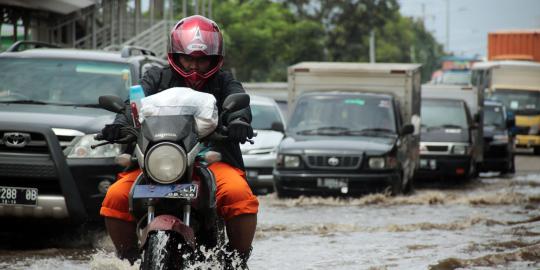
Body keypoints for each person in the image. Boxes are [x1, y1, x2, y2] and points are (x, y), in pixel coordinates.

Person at [99, 15, 259, 267]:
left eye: (202, 60)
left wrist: (239, 122)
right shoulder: (155, 78)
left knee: (238, 194)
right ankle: (128, 259)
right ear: (175, 56)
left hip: (210, 159)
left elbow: (238, 101)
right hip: (159, 160)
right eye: (188, 58)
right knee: (116, 196)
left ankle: (237, 260)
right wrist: (119, 125)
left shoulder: (224, 81)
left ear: (214, 59)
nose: (194, 66)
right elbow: (134, 105)